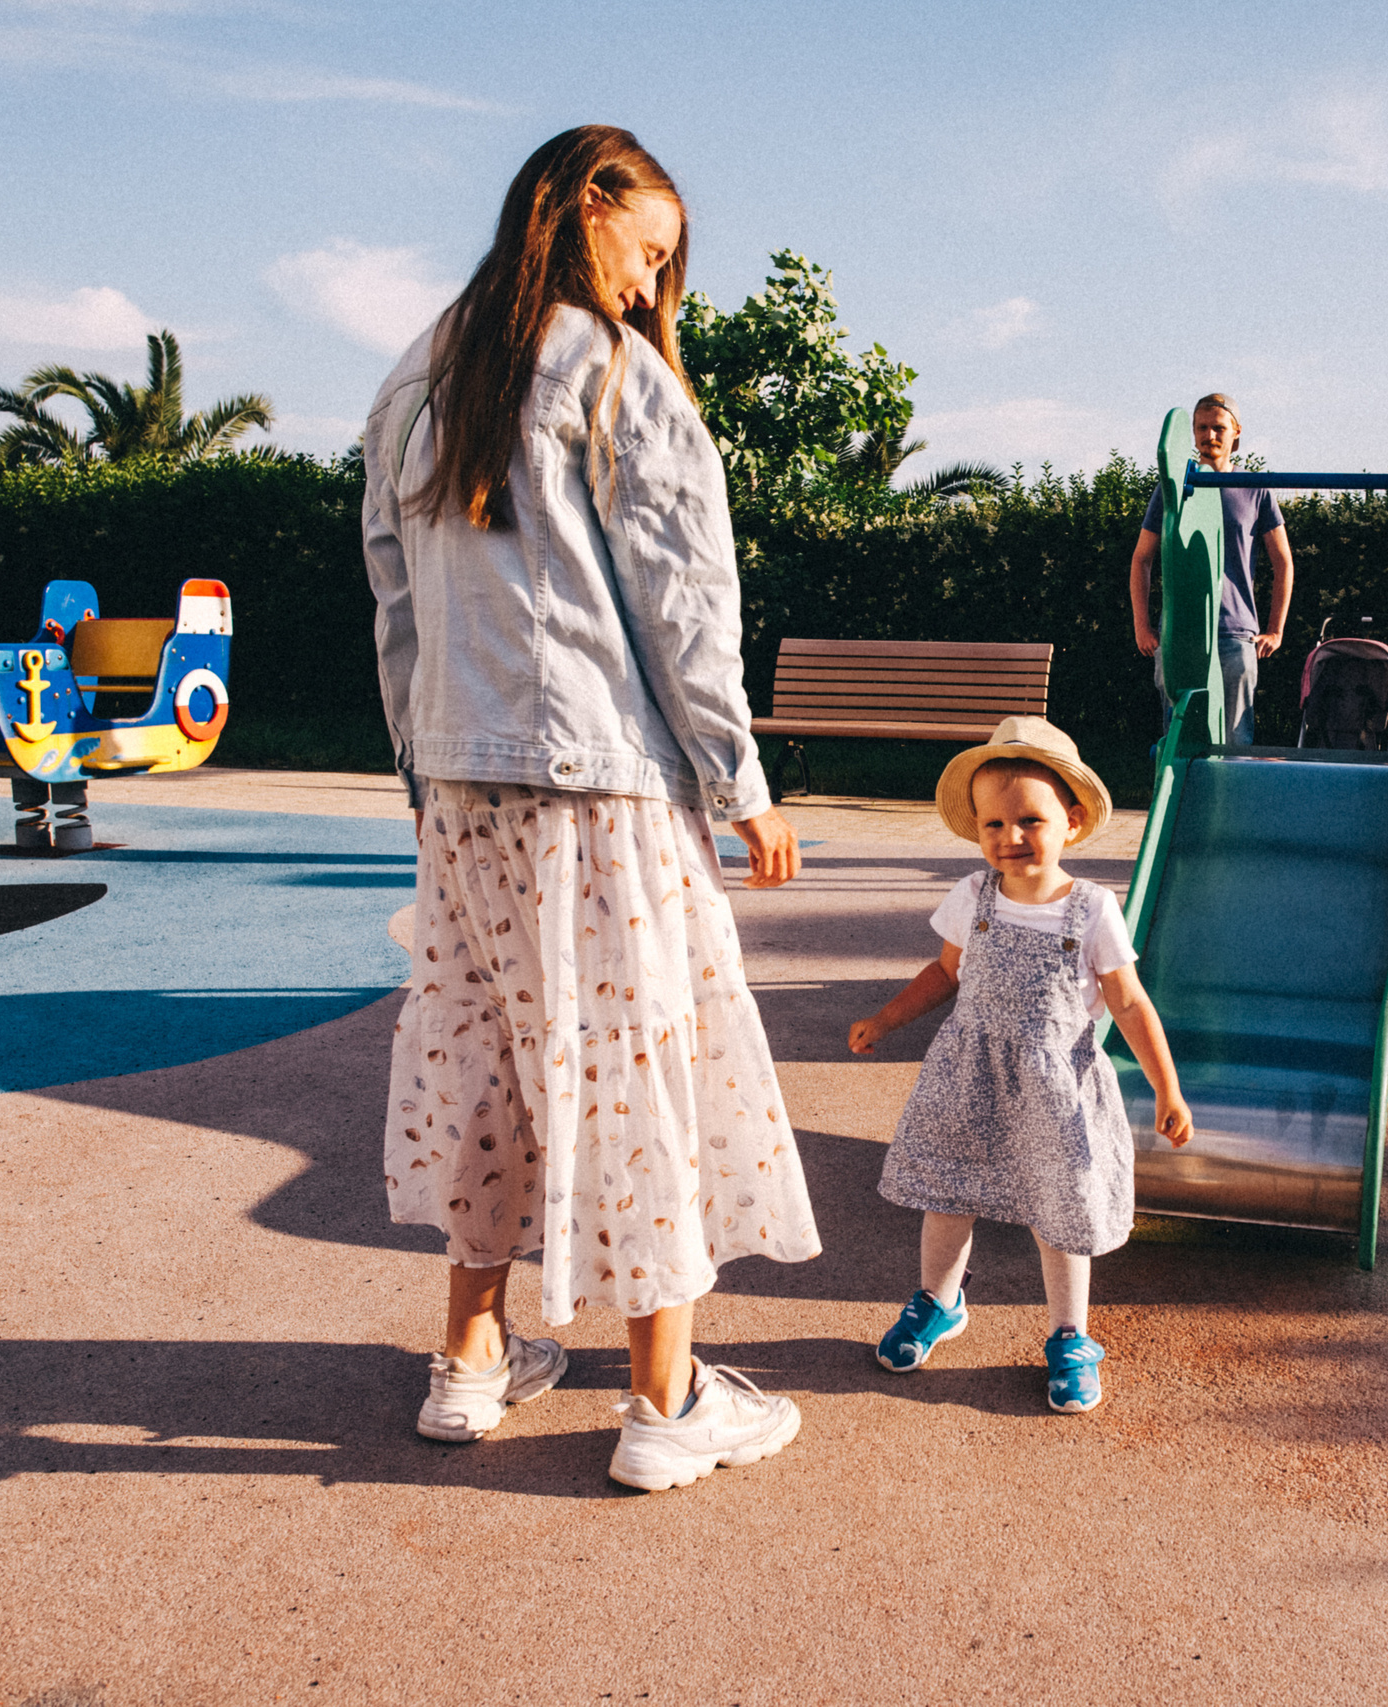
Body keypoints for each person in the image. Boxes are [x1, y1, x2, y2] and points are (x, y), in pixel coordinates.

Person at [363, 125, 819, 1493]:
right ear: (581, 208)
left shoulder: (419, 373)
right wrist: (741, 785)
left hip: (466, 784)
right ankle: (666, 1400)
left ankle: (472, 1358)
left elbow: (394, 600)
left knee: (490, 1061)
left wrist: (425, 777)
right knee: (637, 1067)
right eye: (648, 248)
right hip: (599, 780)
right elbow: (685, 607)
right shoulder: (614, 371)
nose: (651, 282)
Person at [846, 717, 1193, 1414]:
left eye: (1030, 819)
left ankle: (1070, 1335)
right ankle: (938, 1301)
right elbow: (944, 973)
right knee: (949, 1193)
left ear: (1071, 820)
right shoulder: (973, 895)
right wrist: (885, 1019)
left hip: (1054, 1091)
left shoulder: (1092, 909)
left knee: (1059, 1210)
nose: (1011, 836)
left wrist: (1167, 1088)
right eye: (994, 824)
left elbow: (1129, 1002)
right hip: (968, 1077)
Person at [1128, 393, 1296, 744]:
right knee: (1180, 742)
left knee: (1234, 741)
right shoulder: (1173, 487)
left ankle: (1232, 785)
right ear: (1192, 432)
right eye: (1202, 428)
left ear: (1236, 432)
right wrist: (1142, 626)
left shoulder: (1254, 488)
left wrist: (1275, 630)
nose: (1210, 435)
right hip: (1180, 634)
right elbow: (1142, 557)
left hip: (1235, 633)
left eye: (1218, 428)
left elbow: (1283, 561)